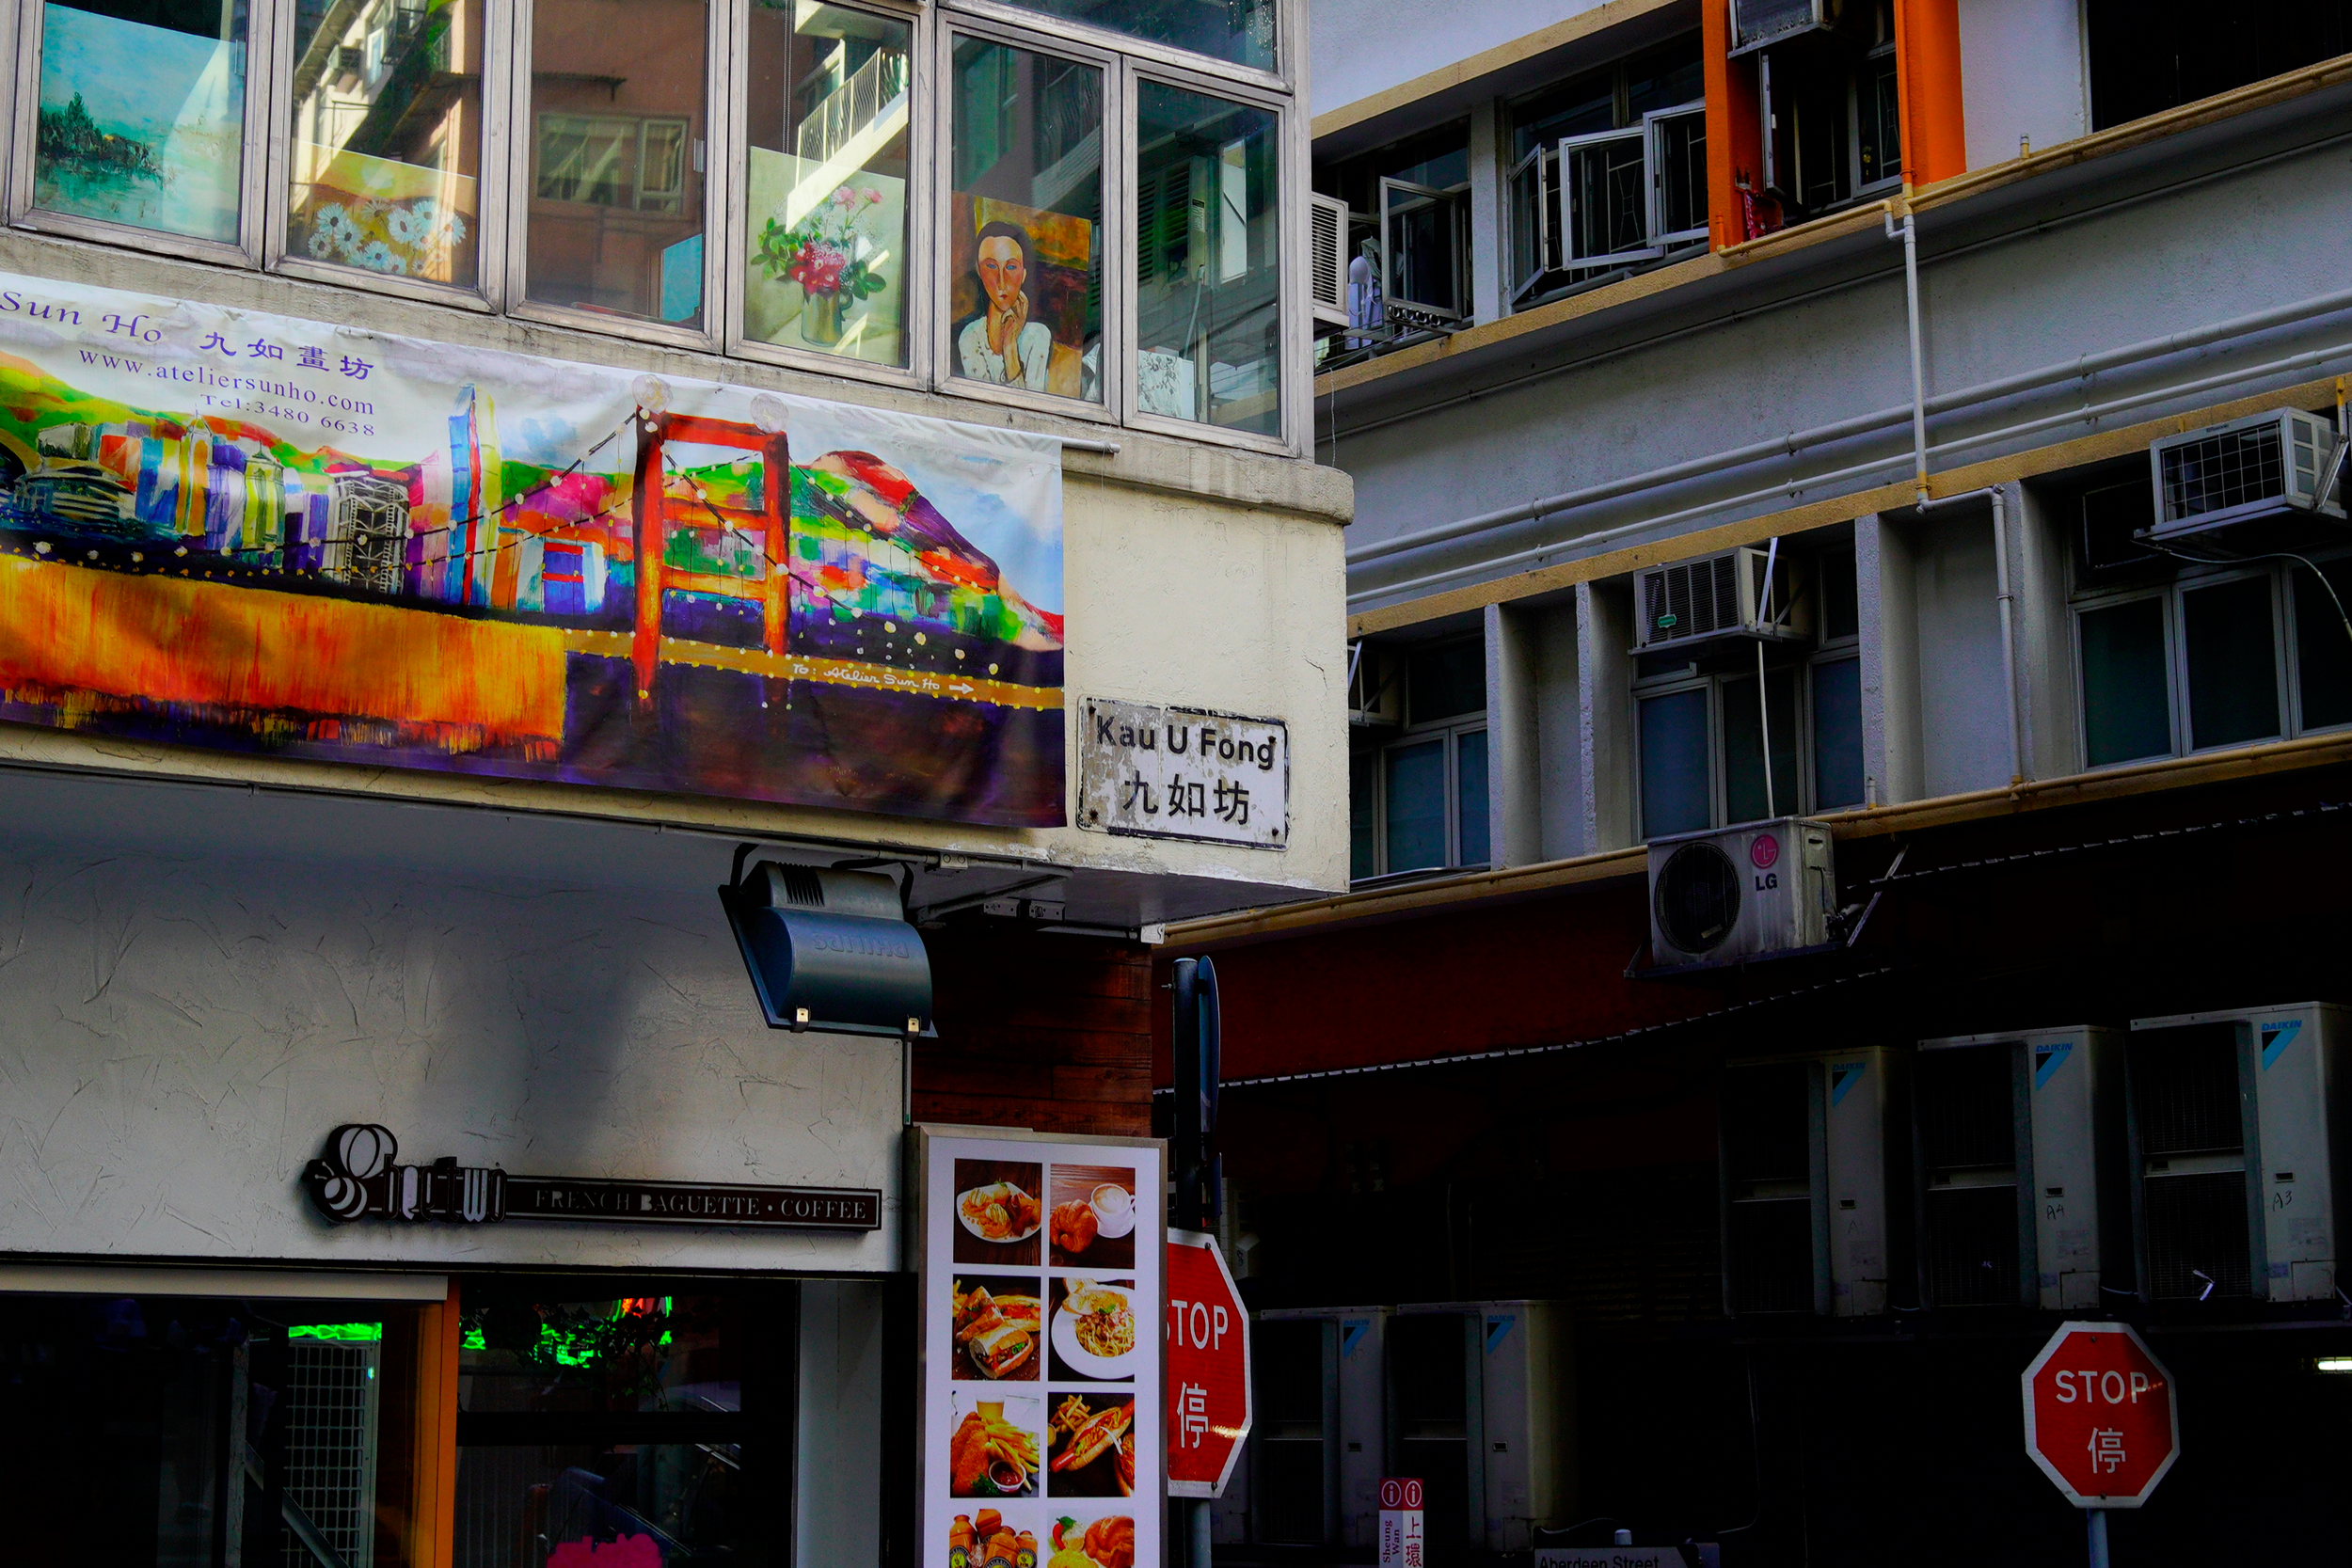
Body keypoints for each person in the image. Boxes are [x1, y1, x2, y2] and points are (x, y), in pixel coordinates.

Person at [957, 219, 1053, 391]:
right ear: (979, 271)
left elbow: (1028, 404)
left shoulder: (1038, 335)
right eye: (991, 266)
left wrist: (1010, 347)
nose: (1001, 281)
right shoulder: (970, 336)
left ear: (1023, 275)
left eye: (1011, 267)